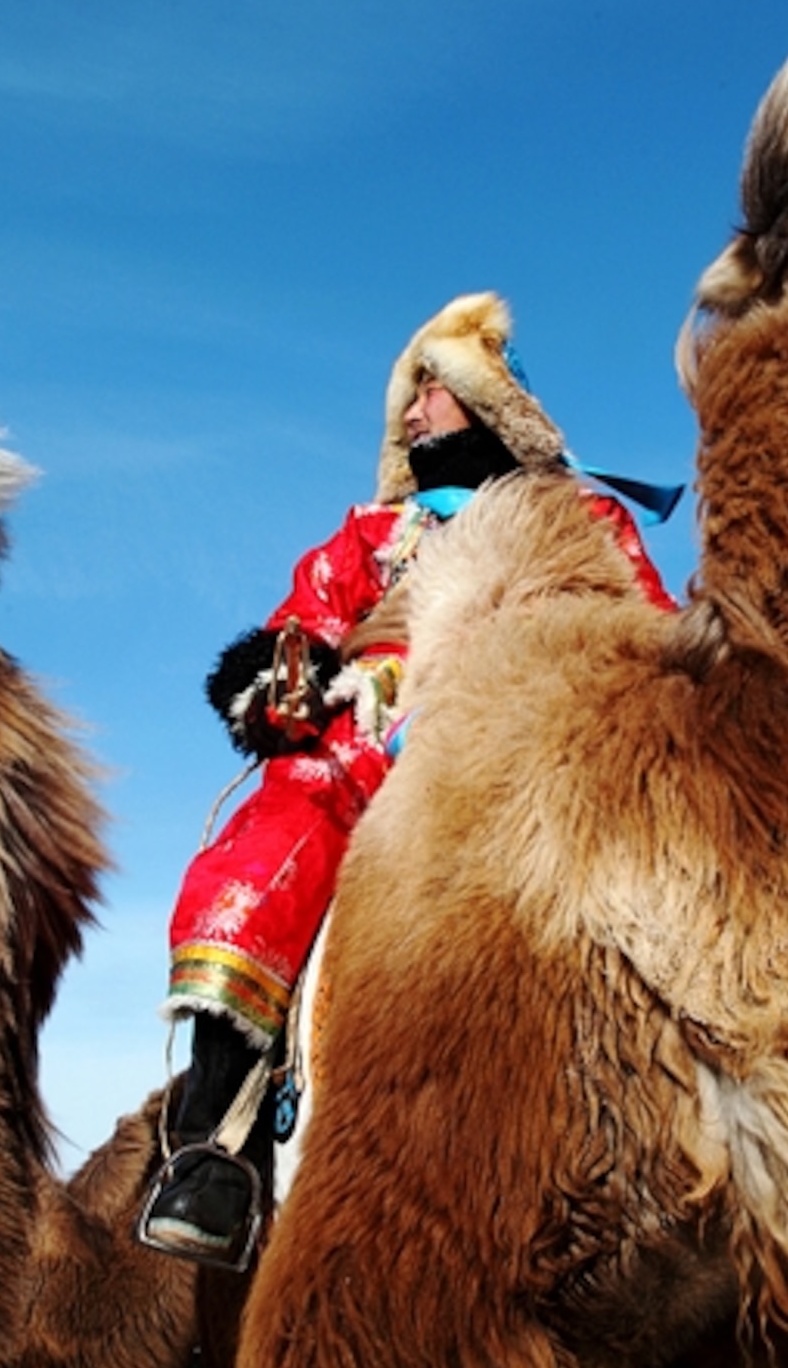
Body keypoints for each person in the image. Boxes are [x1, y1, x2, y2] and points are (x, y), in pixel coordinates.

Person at [139, 294, 676, 1264]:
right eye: (413, 390)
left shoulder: (581, 516)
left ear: (486, 401)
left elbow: (648, 622)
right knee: (270, 842)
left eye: (434, 386)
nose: (414, 407)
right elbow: (296, 626)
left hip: (532, 731)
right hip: (367, 747)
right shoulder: (367, 538)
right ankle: (218, 1146)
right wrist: (286, 679)